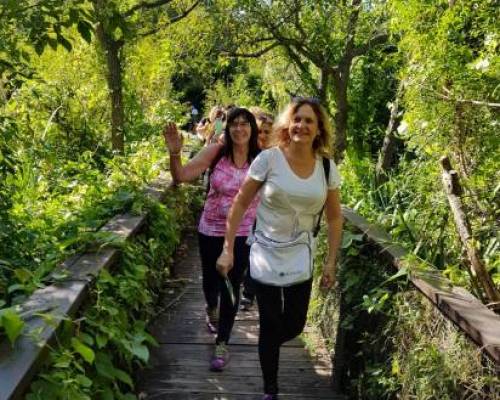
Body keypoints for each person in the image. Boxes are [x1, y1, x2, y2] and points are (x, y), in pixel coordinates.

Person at [216, 98, 343, 400]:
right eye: (297, 119)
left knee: (295, 324)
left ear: (319, 129)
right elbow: (241, 203)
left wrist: (330, 263)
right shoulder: (269, 159)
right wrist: (228, 248)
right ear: (288, 123)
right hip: (265, 251)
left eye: (309, 121)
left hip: (301, 252)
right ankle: (270, 388)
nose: (302, 125)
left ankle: (267, 343)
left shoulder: (326, 167)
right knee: (271, 320)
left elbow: (335, 217)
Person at [162, 107, 260, 372]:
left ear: (253, 129)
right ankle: (210, 307)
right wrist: (175, 152)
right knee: (210, 280)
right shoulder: (216, 153)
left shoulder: (261, 159)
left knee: (232, 283)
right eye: (234, 124)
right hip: (210, 229)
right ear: (226, 129)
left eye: (245, 124)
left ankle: (223, 342)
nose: (239, 129)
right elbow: (181, 176)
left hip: (242, 233)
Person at [240, 107, 275, 311]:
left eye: (266, 132)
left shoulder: (278, 156)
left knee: (257, 250)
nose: (262, 136)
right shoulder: (247, 153)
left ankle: (249, 293)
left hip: (266, 214)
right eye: (259, 131)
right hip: (245, 211)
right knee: (244, 251)